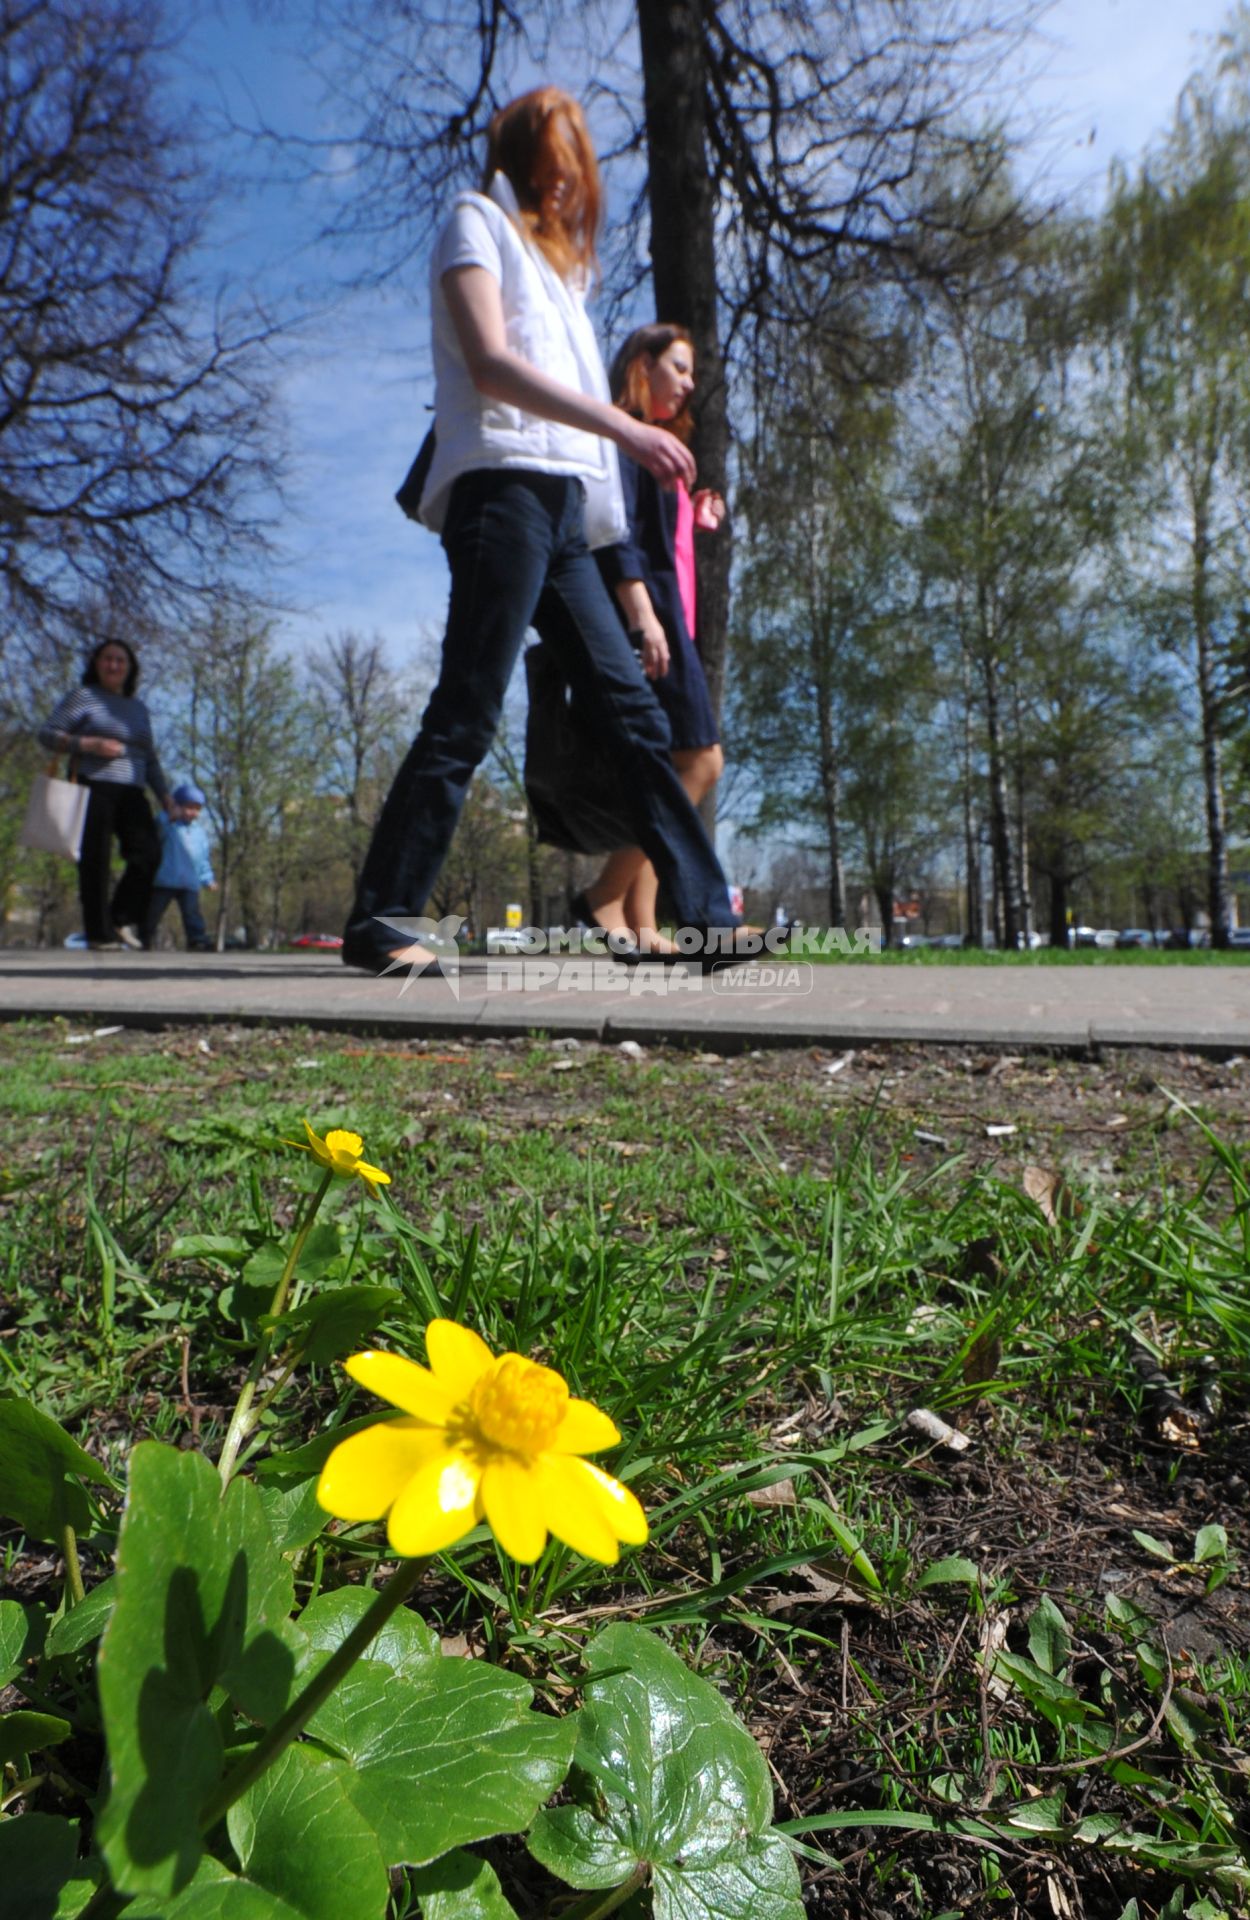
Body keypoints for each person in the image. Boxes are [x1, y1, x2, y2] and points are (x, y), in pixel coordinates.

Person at [343, 86, 740, 974]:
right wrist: (626, 426)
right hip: (499, 492)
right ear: (531, 156)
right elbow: (490, 364)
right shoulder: (472, 223)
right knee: (469, 707)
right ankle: (380, 918)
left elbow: (583, 451)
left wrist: (628, 590)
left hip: (567, 516)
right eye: (559, 163)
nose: (570, 184)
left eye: (580, 170)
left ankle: (707, 918)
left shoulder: (565, 280)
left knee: (636, 715)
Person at [584, 324, 726, 950]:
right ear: (643, 364)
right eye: (679, 367)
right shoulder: (624, 437)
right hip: (653, 624)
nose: (689, 383)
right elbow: (619, 535)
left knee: (670, 766)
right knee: (701, 760)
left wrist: (694, 511)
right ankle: (605, 894)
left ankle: (643, 926)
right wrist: (643, 617)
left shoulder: (657, 448)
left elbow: (660, 539)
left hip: (674, 625)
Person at [38, 639, 172, 952]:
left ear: (130, 668)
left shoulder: (138, 709)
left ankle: (119, 917)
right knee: (95, 860)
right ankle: (99, 934)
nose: (114, 666)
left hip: (133, 789)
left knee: (149, 853)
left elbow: (149, 757)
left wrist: (164, 795)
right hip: (93, 784)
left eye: (120, 661)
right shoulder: (83, 697)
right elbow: (47, 733)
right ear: (96, 664)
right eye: (108, 659)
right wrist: (88, 745)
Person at [143, 781, 216, 951]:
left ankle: (197, 939)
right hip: (165, 879)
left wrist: (207, 879)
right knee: (154, 910)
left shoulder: (200, 832)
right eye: (188, 808)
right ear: (177, 806)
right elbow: (156, 829)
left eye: (197, 809)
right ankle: (145, 936)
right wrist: (169, 813)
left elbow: (203, 858)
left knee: (192, 913)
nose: (193, 813)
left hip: (190, 882)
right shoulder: (168, 825)